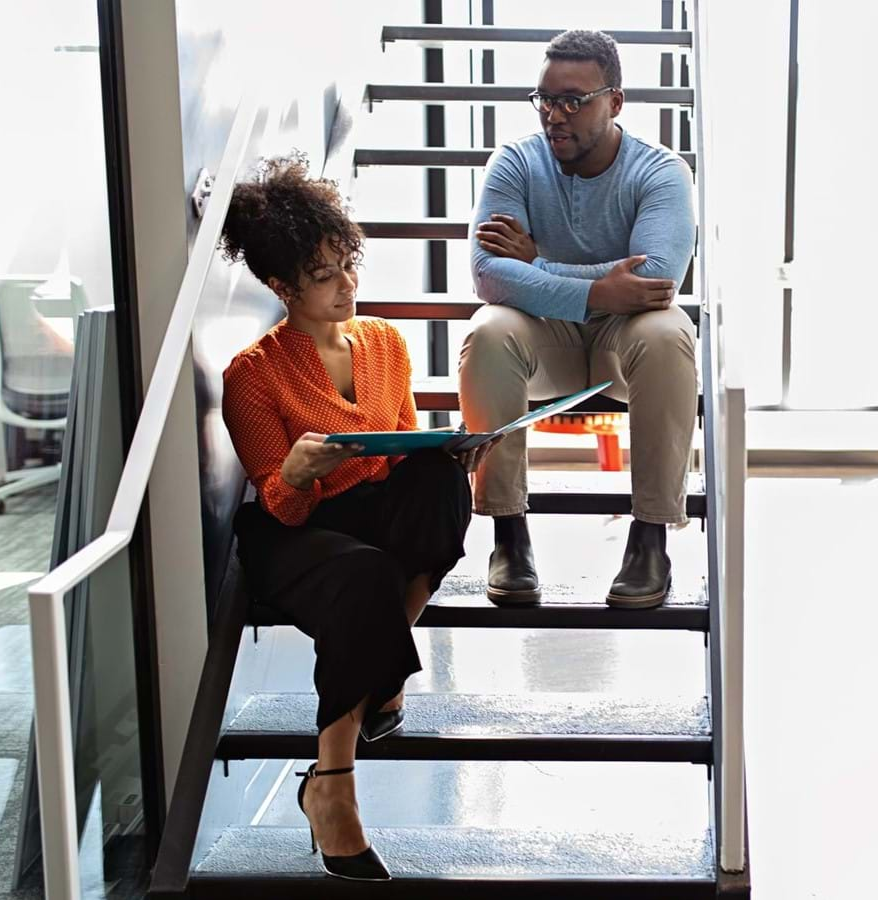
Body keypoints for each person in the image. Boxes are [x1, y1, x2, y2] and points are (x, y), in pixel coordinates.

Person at [219, 154, 494, 882]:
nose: (347, 285)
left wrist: (450, 456)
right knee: (363, 572)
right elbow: (276, 500)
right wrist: (298, 474)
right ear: (282, 288)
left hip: (372, 510)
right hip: (297, 532)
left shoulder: (384, 344)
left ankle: (380, 668)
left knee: (439, 479)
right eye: (324, 276)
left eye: (348, 265)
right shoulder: (253, 374)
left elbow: (400, 452)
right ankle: (332, 782)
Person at [461, 29, 698, 611]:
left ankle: (650, 539)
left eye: (573, 100)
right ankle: (508, 537)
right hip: (548, 341)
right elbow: (489, 275)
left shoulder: (661, 172)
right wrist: (598, 289)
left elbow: (655, 280)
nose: (554, 114)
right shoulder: (515, 163)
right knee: (488, 328)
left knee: (669, 331)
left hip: (627, 346)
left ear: (614, 102)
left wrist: (537, 262)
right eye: (544, 98)